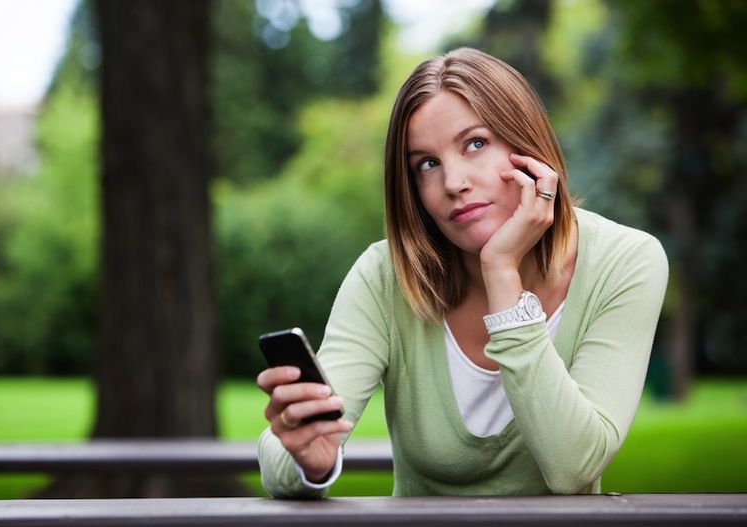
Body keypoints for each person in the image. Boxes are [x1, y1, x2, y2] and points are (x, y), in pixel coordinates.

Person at [256, 47, 668, 497]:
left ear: (527, 145)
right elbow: (285, 459)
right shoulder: (385, 275)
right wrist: (308, 462)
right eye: (426, 164)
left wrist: (501, 273)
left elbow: (573, 467)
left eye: (475, 144)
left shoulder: (626, 261)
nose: (453, 182)